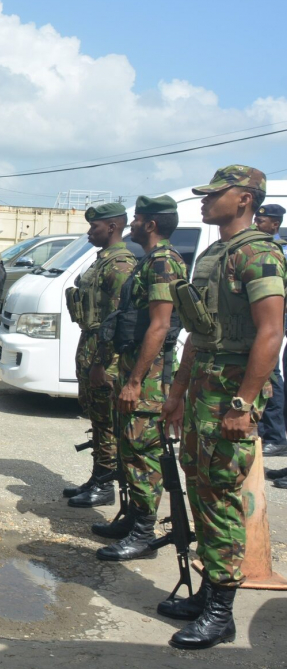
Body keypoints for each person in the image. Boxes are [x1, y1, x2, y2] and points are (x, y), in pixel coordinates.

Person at [161, 165, 285, 649]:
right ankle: (210, 590)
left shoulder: (258, 253)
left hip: (230, 391)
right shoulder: (217, 252)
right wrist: (176, 392)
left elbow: (271, 331)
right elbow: (198, 329)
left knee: (222, 498)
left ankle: (221, 610)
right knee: (202, 489)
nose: (204, 201)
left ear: (245, 199)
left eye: (216, 194)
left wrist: (244, 403)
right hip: (203, 389)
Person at [96, 196, 187, 561]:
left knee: (143, 452)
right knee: (129, 447)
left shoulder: (164, 261)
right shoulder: (150, 261)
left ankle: (143, 532)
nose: (130, 225)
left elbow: (161, 325)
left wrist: (135, 382)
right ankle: (134, 517)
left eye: (136, 220)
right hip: (136, 368)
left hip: (149, 377)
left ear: (150, 225)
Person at [62, 203, 137, 513]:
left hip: (105, 350)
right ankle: (99, 476)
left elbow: (120, 319)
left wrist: (105, 362)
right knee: (96, 415)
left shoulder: (120, 264)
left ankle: (106, 484)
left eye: (95, 226)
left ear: (113, 227)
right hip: (91, 342)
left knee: (107, 420)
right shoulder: (103, 260)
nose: (90, 231)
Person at [254, 204, 287, 459]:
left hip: (274, 319)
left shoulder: (276, 250)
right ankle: (267, 433)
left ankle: (275, 437)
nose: (257, 222)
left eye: (261, 220)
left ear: (274, 224)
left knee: (271, 374)